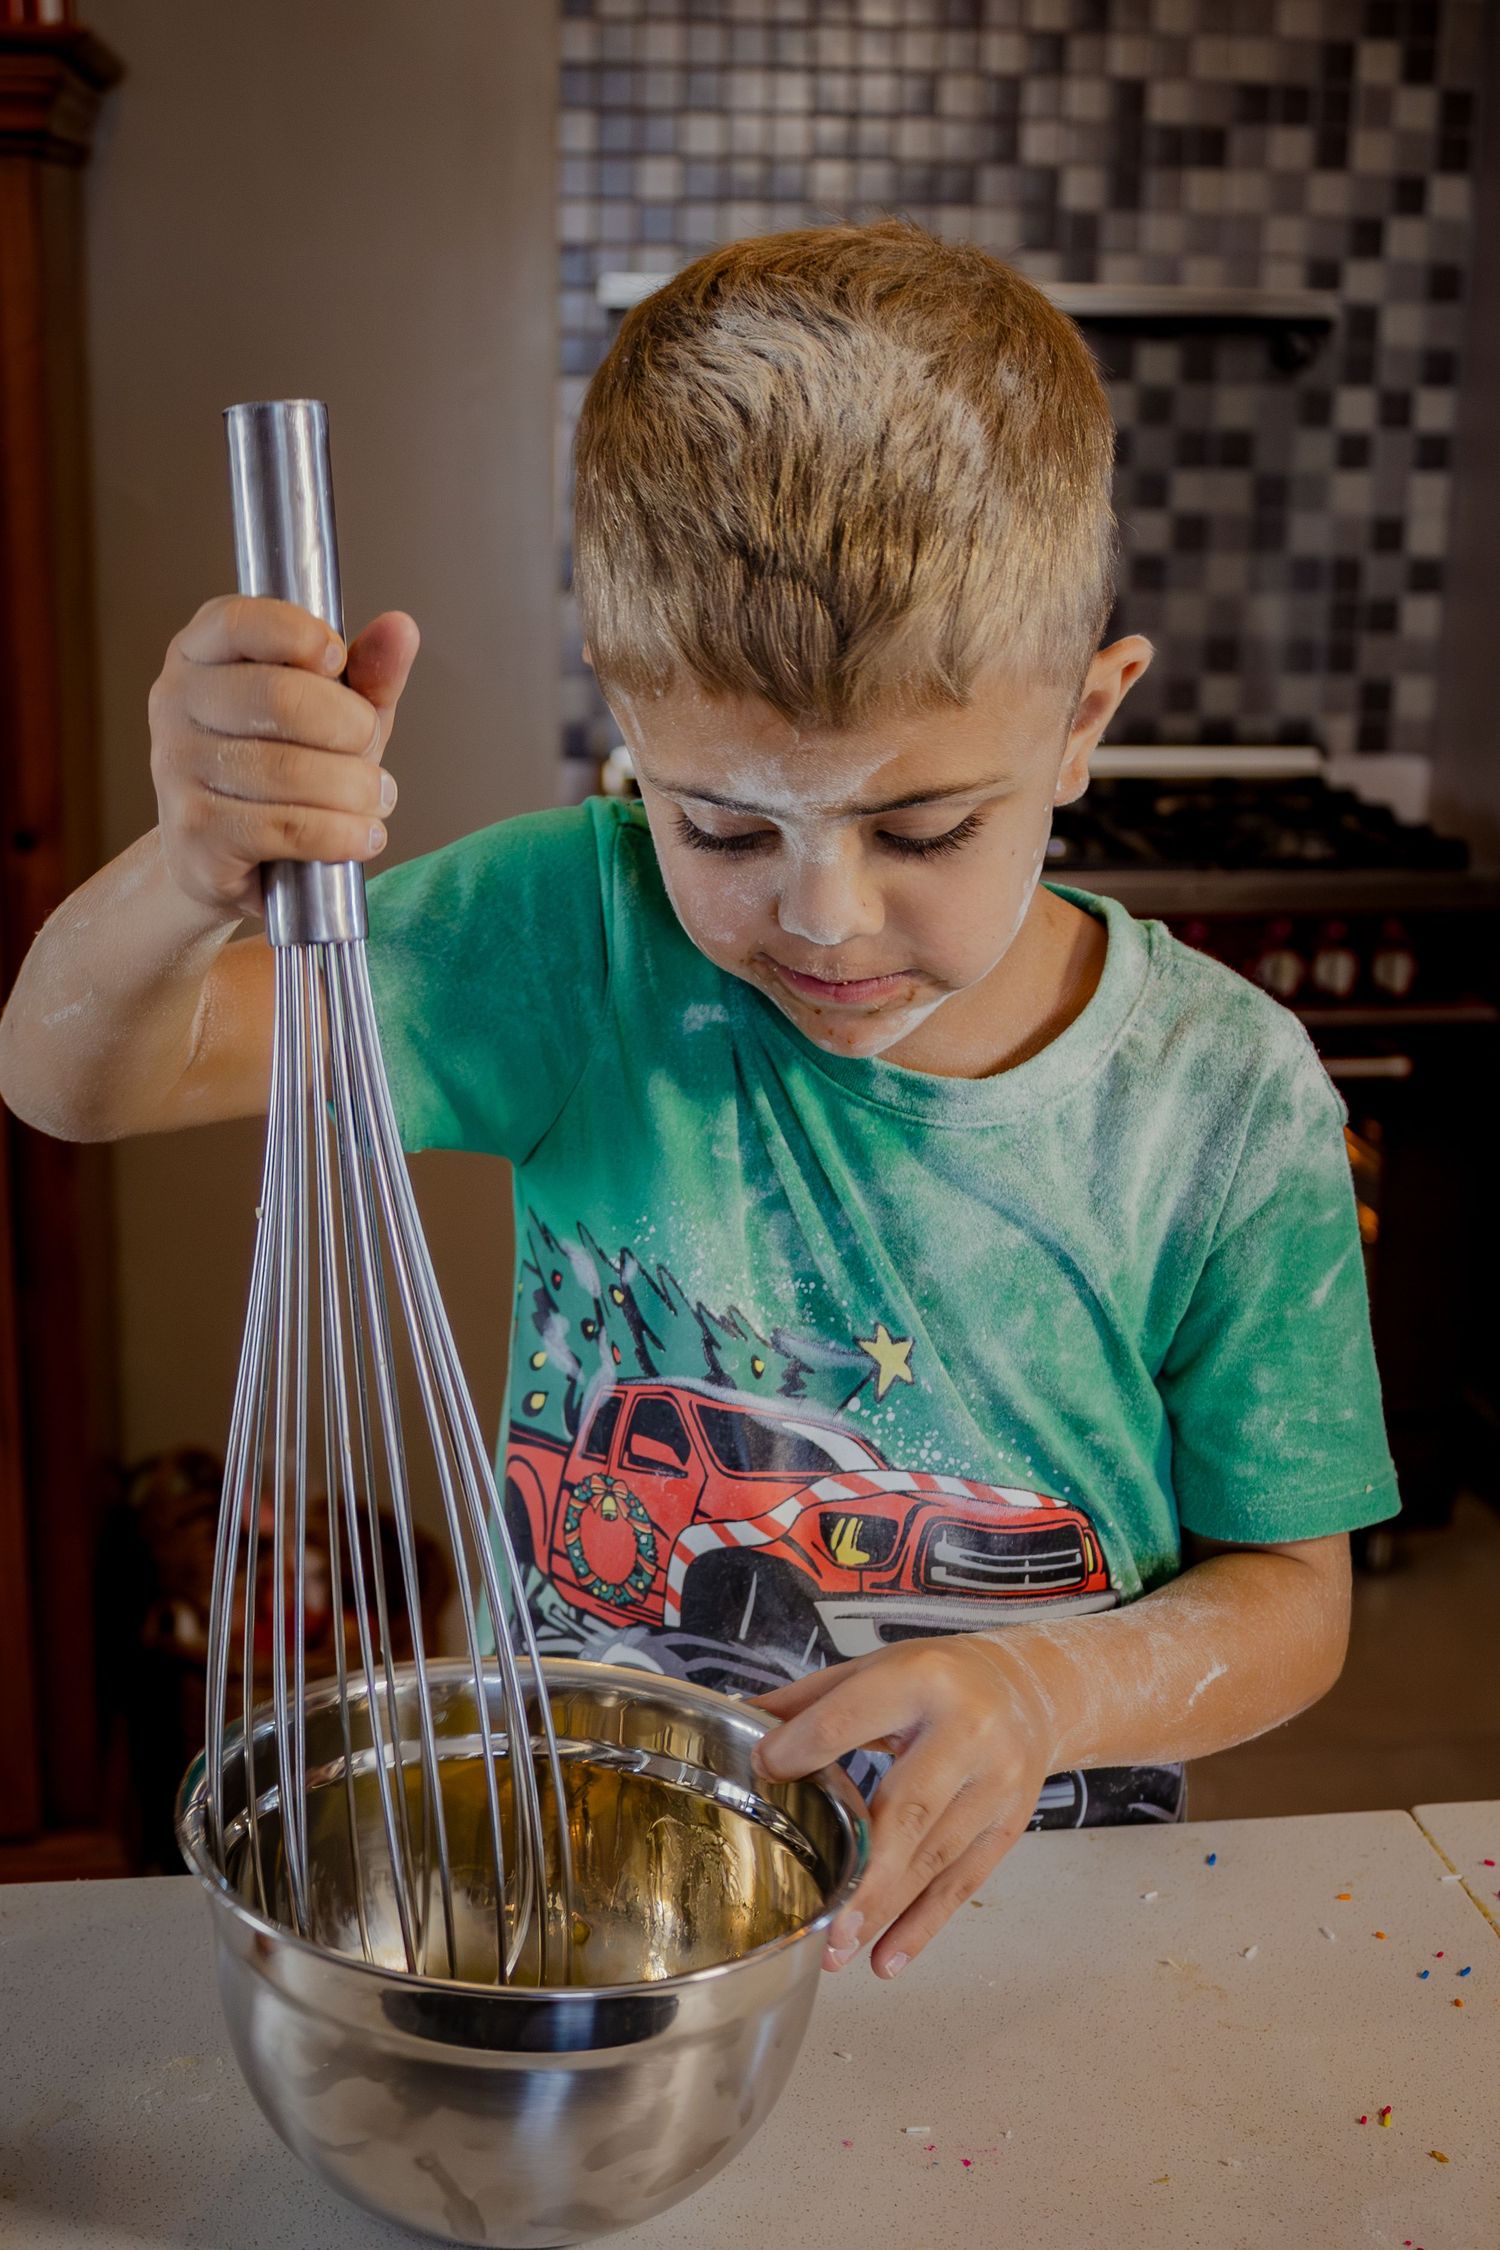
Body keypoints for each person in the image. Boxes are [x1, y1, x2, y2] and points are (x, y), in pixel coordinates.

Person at [0, 221, 1396, 1983]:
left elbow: (1296, 1592)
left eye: (922, 826)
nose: (820, 913)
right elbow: (67, 1071)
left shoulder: (1223, 1100)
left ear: (1082, 722)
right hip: (589, 1906)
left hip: (1035, 1943)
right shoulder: (579, 935)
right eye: (725, 826)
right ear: (628, 734)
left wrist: (1048, 1679)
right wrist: (194, 862)